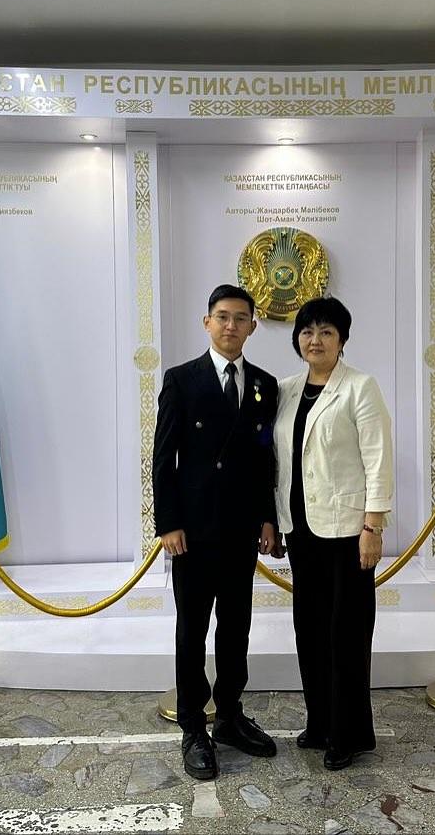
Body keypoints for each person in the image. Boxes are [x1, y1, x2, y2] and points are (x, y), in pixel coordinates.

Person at [152, 283, 280, 781]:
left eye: (240, 318)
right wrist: (169, 523)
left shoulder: (264, 384)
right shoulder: (181, 379)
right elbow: (164, 457)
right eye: (222, 316)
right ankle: (192, 726)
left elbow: (265, 459)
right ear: (207, 322)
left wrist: (267, 517)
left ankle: (229, 715)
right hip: (194, 531)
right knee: (192, 629)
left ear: (252, 326)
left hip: (241, 529)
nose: (231, 325)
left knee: (236, 626)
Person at [272, 296, 393, 770]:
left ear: (342, 339)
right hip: (301, 530)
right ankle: (320, 722)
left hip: (347, 532)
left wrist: (373, 526)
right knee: (311, 631)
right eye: (307, 331)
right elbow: (279, 462)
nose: (315, 340)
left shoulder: (360, 387)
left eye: (326, 331)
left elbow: (378, 459)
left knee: (347, 634)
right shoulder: (286, 390)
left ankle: (349, 734)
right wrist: (272, 518)